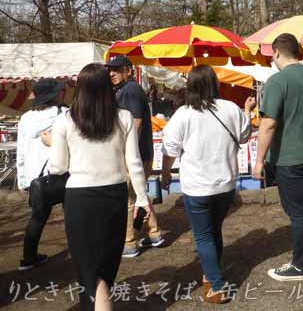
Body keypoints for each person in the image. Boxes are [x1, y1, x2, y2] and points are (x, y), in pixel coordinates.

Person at [48, 63, 153, 311]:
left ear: (80, 89)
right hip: (114, 196)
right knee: (105, 268)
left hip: (79, 199)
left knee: (87, 268)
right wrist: (141, 198)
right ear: (108, 86)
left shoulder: (64, 121)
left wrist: (50, 142)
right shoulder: (124, 117)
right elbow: (134, 163)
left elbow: (57, 167)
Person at [161, 66, 255, 304]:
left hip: (198, 187)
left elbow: (170, 149)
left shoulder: (184, 113)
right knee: (214, 231)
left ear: (190, 86)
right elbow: (245, 135)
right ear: (215, 83)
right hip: (225, 184)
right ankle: (210, 274)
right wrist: (246, 110)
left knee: (203, 236)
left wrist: (164, 173)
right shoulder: (230, 108)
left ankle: (216, 285)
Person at [252, 34, 303, 282]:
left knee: (297, 212)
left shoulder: (277, 81)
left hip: (290, 156)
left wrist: (258, 160)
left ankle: (301, 265)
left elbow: (268, 124)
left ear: (276, 52)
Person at [104, 55, 163, 258]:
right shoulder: (125, 89)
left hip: (136, 154)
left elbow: (136, 122)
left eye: (117, 69)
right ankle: (154, 233)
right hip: (140, 153)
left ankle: (129, 242)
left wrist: (128, 151)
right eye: (110, 69)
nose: (112, 73)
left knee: (128, 200)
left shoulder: (130, 89)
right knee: (139, 195)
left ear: (128, 70)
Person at [16, 78, 67, 271]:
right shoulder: (64, 114)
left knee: (37, 217)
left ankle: (28, 258)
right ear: (54, 95)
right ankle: (80, 253)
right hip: (61, 172)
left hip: (36, 179)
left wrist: (22, 179)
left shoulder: (25, 118)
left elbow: (20, 151)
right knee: (71, 215)